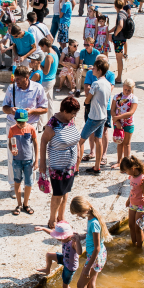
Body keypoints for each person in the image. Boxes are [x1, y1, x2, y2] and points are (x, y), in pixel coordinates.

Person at [39, 96, 83, 229]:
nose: (74, 116)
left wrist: (78, 153)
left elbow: (75, 138)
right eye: (72, 113)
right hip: (58, 166)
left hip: (70, 165)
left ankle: (61, 217)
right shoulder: (52, 125)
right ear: (64, 111)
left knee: (66, 192)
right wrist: (42, 164)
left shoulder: (71, 120)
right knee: (57, 194)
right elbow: (43, 142)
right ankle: (52, 219)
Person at [71, 195, 108, 288]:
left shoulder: (93, 223)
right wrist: (80, 237)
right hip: (99, 256)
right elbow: (91, 237)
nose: (78, 216)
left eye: (77, 214)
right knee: (91, 284)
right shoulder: (91, 219)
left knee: (80, 286)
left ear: (83, 210)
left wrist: (87, 268)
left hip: (95, 257)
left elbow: (96, 248)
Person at [82, 58, 112, 174]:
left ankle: (75, 168)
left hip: (94, 116)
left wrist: (87, 101)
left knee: (80, 141)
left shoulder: (96, 83)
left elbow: (88, 99)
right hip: (103, 115)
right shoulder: (108, 83)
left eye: (94, 68)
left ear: (99, 70)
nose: (92, 69)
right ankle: (97, 166)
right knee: (98, 140)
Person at [8, 108, 39, 216]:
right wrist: (12, 150)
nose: (21, 124)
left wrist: (36, 160)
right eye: (19, 122)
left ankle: (26, 204)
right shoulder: (12, 129)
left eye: (23, 122)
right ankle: (19, 204)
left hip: (28, 160)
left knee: (29, 183)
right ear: (15, 120)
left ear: (27, 119)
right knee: (17, 181)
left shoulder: (31, 129)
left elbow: (35, 144)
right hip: (17, 160)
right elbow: (9, 143)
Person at [37, 221, 81, 288]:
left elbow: (79, 252)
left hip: (70, 267)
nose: (58, 239)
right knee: (49, 255)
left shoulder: (73, 242)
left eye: (59, 238)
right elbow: (51, 233)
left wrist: (78, 241)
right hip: (64, 258)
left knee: (65, 287)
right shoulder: (65, 238)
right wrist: (43, 228)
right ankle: (47, 270)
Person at [121, 155, 144, 249]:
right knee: (131, 225)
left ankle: (139, 247)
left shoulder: (142, 180)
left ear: (133, 168)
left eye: (126, 170)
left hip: (141, 206)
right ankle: (133, 243)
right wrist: (129, 199)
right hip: (132, 204)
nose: (126, 173)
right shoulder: (132, 177)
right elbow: (132, 190)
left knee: (138, 227)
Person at [110, 78, 138, 166]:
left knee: (126, 144)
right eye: (125, 89)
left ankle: (126, 164)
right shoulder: (117, 96)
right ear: (123, 87)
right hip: (117, 123)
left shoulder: (133, 98)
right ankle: (119, 162)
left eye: (129, 90)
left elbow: (131, 112)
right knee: (119, 143)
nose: (126, 91)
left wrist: (117, 117)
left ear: (132, 89)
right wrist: (117, 121)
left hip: (128, 123)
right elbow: (112, 110)